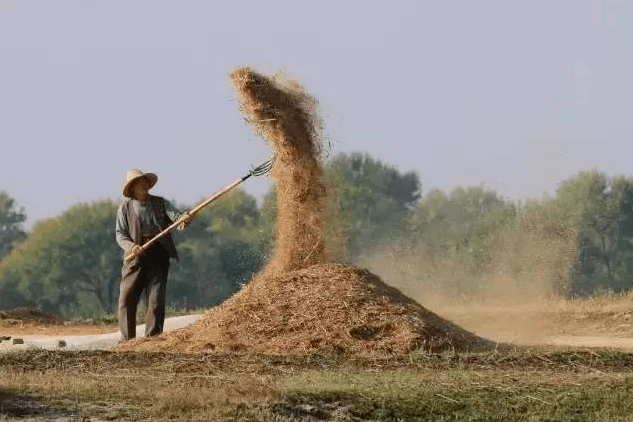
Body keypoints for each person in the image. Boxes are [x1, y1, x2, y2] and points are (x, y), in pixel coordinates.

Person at [115, 169, 193, 341]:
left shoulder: (160, 203)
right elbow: (120, 235)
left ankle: (153, 339)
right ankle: (127, 341)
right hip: (135, 257)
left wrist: (185, 218)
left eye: (144, 182)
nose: (143, 185)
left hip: (159, 254)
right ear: (132, 188)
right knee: (127, 298)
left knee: (156, 300)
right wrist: (132, 246)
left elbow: (177, 219)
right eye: (138, 183)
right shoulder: (125, 209)